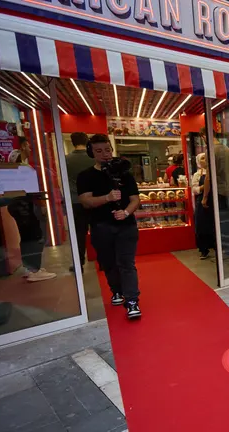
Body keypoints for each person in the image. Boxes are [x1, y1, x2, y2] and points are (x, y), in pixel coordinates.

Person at [77, 134, 142, 319]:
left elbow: (135, 199)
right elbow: (85, 201)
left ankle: (132, 301)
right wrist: (107, 198)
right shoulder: (86, 176)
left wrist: (126, 212)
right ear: (92, 153)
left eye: (107, 150)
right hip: (100, 226)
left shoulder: (125, 174)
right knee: (108, 263)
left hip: (126, 226)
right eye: (99, 151)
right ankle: (116, 290)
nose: (105, 154)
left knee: (127, 264)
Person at [7, 138, 57, 283]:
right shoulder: (22, 168)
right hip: (24, 206)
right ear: (22, 147)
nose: (30, 149)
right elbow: (30, 189)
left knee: (28, 237)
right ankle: (33, 270)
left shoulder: (17, 167)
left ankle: (30, 268)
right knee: (34, 236)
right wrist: (41, 203)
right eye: (28, 145)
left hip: (19, 205)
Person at [65, 132, 93, 272]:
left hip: (75, 200)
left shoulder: (67, 159)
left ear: (72, 142)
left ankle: (79, 262)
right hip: (94, 200)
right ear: (87, 141)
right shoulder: (92, 158)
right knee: (98, 231)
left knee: (79, 233)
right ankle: (102, 260)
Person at [193, 153, 216, 259]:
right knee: (202, 226)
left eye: (205, 158)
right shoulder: (197, 175)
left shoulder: (214, 172)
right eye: (202, 158)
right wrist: (204, 187)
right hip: (202, 202)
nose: (204, 160)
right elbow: (195, 190)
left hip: (213, 201)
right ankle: (204, 249)